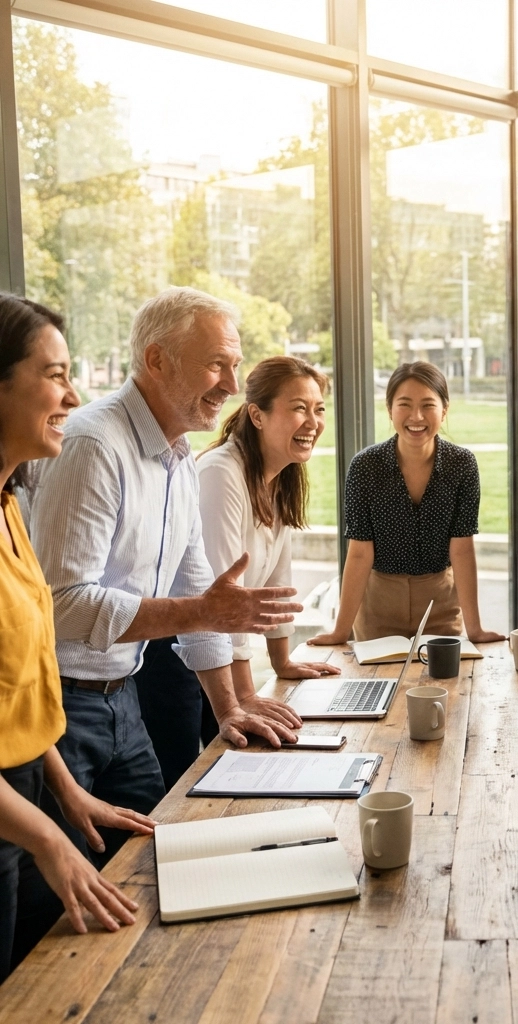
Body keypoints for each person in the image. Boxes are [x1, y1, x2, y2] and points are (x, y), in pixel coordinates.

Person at [29, 287, 303, 865]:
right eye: (217, 364)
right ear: (157, 360)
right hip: (59, 712)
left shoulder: (178, 455)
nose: (232, 385)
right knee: (60, 895)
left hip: (122, 698)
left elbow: (198, 589)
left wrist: (229, 709)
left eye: (235, 365)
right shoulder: (93, 444)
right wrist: (202, 611)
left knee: (153, 864)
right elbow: (62, 605)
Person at [0, 294, 156, 982]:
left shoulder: (10, 506)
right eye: (55, 375)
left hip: (24, 796)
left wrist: (64, 791)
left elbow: (17, 696)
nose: (72, 395)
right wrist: (48, 840)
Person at [135, 356, 342, 790]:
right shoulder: (221, 474)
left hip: (216, 646)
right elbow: (222, 600)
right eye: (299, 408)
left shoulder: (280, 475)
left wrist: (283, 661)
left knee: (235, 766)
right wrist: (245, 696)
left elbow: (275, 584)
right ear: (257, 415)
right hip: (178, 649)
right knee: (181, 780)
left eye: (319, 409)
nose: (313, 422)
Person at [310, 362, 504, 645]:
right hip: (377, 608)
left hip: (441, 606)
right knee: (377, 674)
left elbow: (462, 548)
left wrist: (475, 629)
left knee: (443, 674)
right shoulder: (365, 466)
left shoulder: (462, 464)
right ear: (389, 409)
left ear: (444, 410)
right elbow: (360, 553)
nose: (417, 416)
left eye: (428, 405)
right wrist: (340, 632)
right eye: (405, 404)